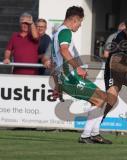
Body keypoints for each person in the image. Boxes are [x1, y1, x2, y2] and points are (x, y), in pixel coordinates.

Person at [51, 6, 112, 144]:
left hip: (65, 78)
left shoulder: (56, 34)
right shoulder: (66, 32)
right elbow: (64, 51)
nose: (80, 25)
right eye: (80, 22)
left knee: (101, 98)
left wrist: (57, 85)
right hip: (69, 78)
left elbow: (53, 63)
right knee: (100, 99)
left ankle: (94, 134)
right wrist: (77, 67)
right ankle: (86, 136)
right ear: (74, 20)